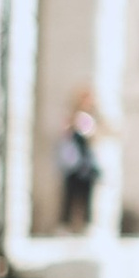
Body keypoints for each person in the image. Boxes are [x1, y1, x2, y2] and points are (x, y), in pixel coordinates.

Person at [57, 95, 101, 233]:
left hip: (86, 166)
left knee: (86, 195)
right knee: (70, 195)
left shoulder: (92, 119)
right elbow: (65, 136)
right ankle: (65, 224)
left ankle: (86, 225)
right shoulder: (72, 119)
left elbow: (95, 138)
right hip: (73, 165)